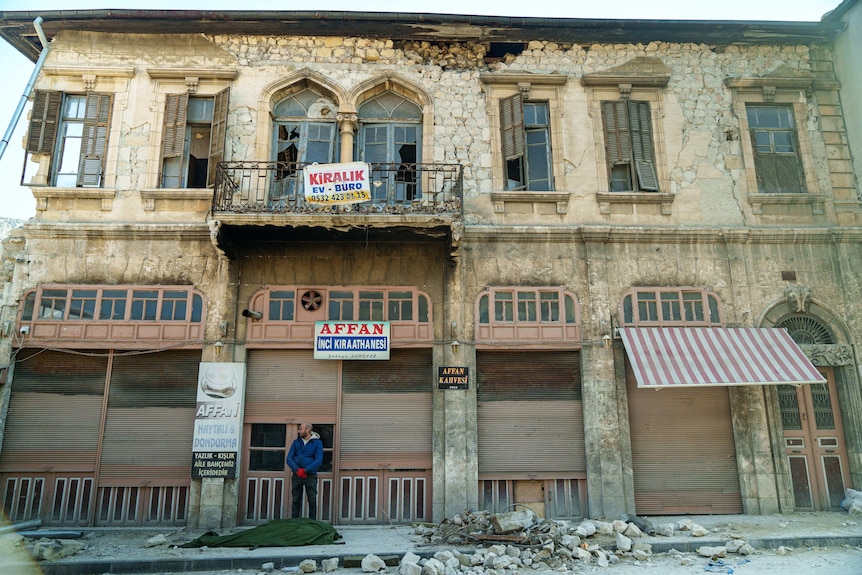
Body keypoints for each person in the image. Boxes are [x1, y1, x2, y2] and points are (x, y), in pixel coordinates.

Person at [286, 422, 323, 519]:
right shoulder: (296, 442)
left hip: (310, 476)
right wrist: (297, 470)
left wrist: (306, 470)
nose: (299, 431)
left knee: (312, 500)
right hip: (297, 475)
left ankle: (312, 524)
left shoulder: (317, 443)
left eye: (301, 429)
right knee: (296, 500)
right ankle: (295, 523)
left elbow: (318, 460)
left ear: (307, 430)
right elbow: (289, 458)